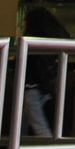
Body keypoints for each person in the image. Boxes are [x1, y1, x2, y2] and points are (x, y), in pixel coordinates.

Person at [22, 7, 70, 140]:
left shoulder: (31, 41)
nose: (23, 23)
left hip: (31, 89)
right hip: (43, 89)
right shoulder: (48, 41)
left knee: (38, 126)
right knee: (21, 125)